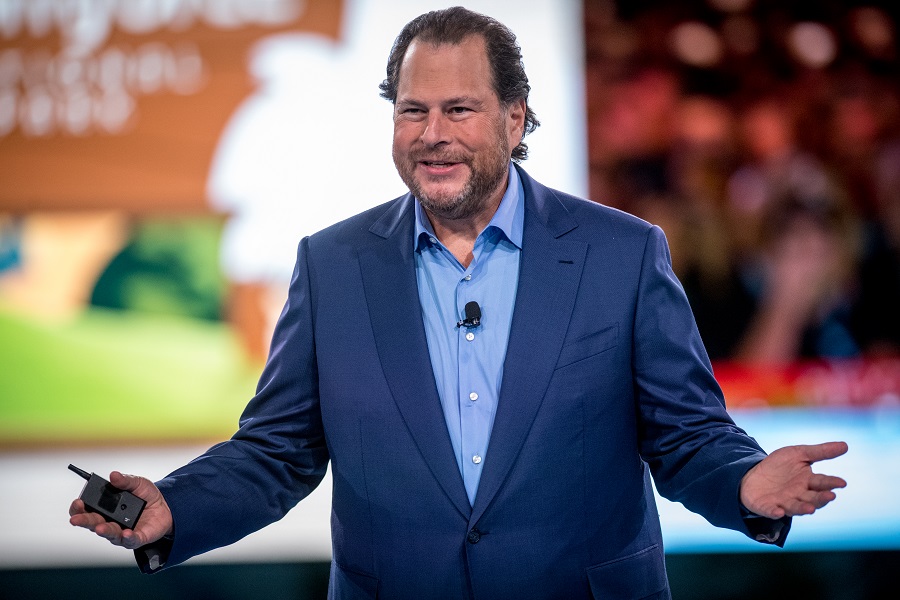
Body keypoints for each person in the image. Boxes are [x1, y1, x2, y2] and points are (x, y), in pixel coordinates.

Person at [70, 8, 848, 599]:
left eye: (459, 110)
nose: (432, 134)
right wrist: (175, 506)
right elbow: (277, 451)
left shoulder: (621, 253)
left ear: (515, 118)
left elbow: (684, 433)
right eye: (413, 110)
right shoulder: (332, 266)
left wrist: (744, 482)